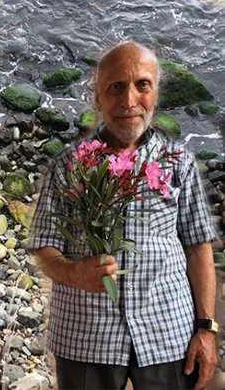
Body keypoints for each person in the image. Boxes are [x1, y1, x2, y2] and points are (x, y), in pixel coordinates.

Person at [30, 41, 218, 390]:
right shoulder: (68, 166)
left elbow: (197, 247)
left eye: (142, 85)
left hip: (168, 332)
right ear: (98, 98)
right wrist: (73, 273)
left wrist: (206, 329)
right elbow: (43, 250)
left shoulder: (178, 162)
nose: (129, 101)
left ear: (155, 92)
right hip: (85, 336)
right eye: (116, 87)